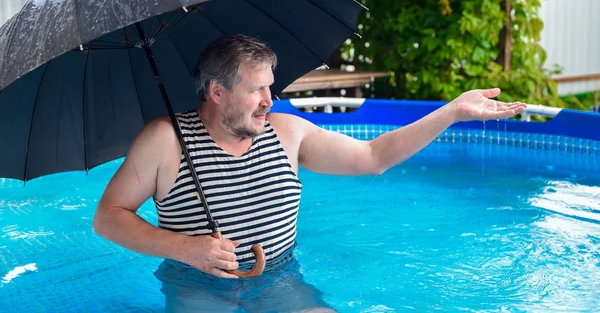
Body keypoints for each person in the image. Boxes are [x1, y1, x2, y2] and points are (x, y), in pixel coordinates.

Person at [93, 34, 526, 312]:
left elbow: (373, 156)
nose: (269, 100)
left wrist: (449, 113)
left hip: (280, 282)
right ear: (217, 91)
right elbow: (108, 216)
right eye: (256, 89)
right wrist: (184, 248)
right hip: (197, 289)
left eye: (270, 85)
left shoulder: (286, 134)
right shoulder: (166, 140)